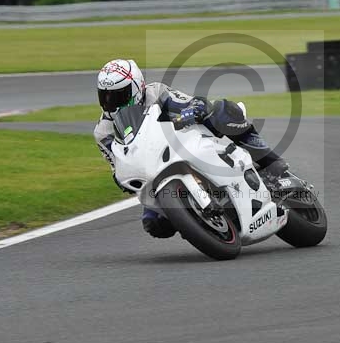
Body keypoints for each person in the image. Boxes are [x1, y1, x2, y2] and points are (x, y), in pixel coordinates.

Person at [93, 58, 290, 238]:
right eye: (105, 96)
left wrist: (194, 107)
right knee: (154, 224)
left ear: (137, 87)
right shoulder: (103, 133)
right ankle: (199, 224)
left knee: (221, 111)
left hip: (186, 141)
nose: (111, 103)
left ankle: (269, 161)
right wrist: (122, 177)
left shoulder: (155, 92)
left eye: (118, 96)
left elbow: (184, 101)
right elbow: (116, 161)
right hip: (154, 168)